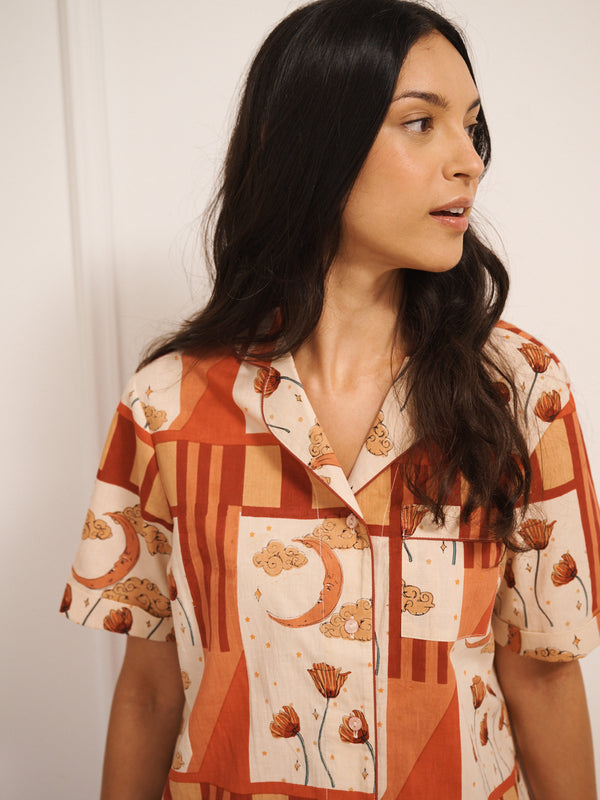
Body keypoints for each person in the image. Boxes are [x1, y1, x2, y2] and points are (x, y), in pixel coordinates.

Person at [60, 1, 599, 798]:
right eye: (422, 123)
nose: (470, 161)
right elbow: (148, 690)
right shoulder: (165, 406)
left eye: (473, 126)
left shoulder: (520, 390)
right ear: (315, 146)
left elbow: (544, 679)